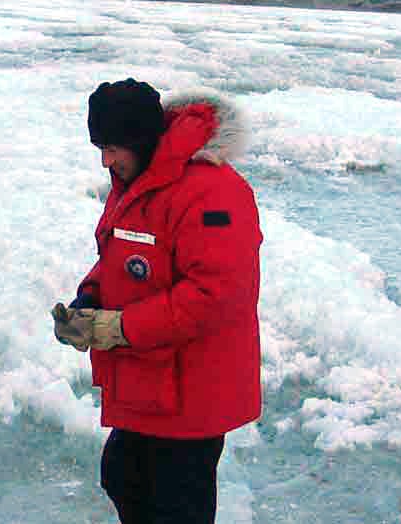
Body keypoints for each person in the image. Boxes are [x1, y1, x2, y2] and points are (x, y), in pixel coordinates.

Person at [51, 78, 263, 524]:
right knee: (122, 476)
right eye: (99, 148)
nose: (106, 160)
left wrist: (118, 328)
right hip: (150, 380)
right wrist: (89, 299)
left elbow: (214, 295)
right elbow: (125, 257)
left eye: (113, 147)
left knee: (175, 505)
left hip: (193, 390)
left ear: (143, 140)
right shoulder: (136, 178)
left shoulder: (212, 191)